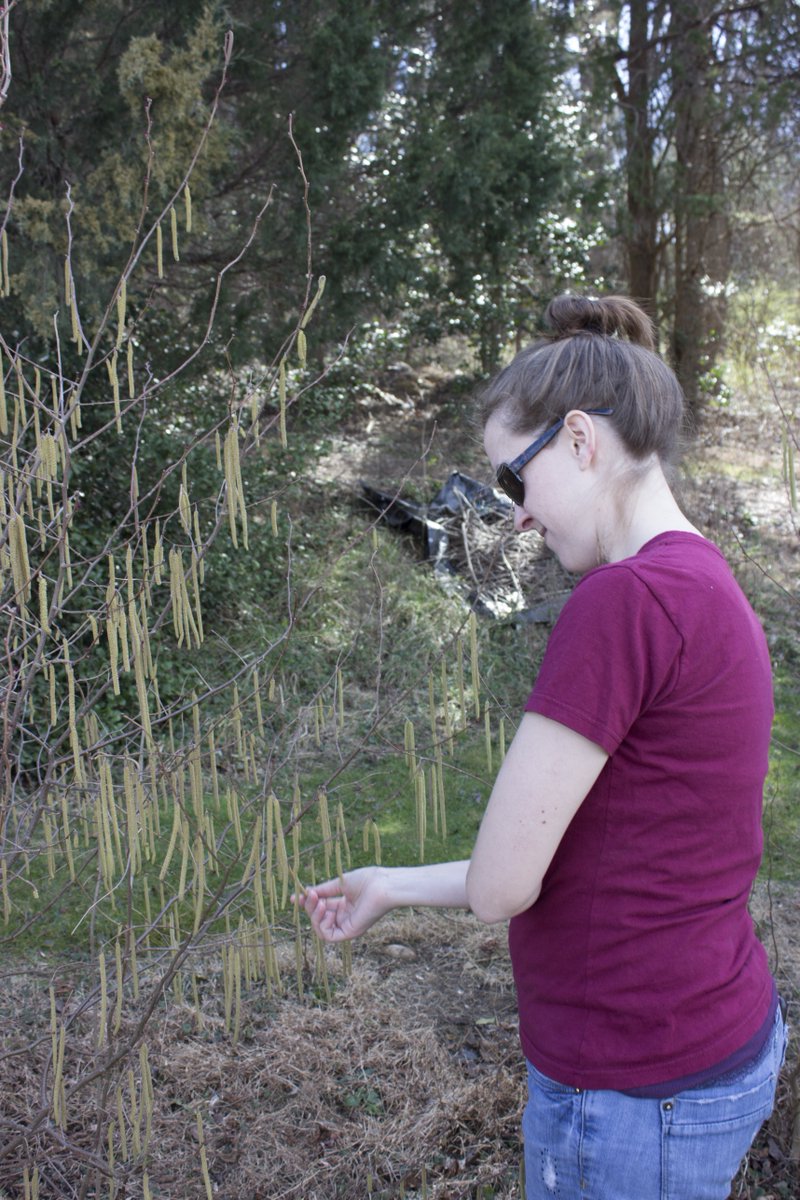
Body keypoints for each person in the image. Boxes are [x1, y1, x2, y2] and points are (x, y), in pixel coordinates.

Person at [297, 295, 787, 1200]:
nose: (516, 517)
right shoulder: (705, 582)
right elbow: (587, 855)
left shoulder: (623, 603)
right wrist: (391, 885)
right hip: (706, 1043)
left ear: (579, 439)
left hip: (632, 1087)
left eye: (513, 480)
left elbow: (501, 886)